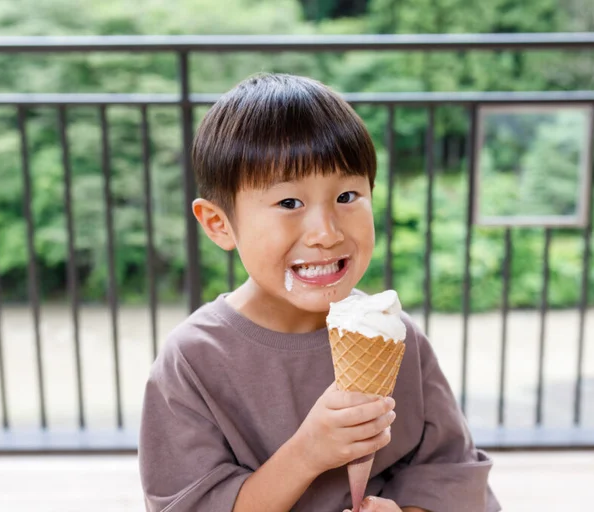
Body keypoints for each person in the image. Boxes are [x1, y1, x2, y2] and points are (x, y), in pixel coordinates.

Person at [138, 73, 501, 512]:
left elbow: (452, 476)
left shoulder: (397, 337)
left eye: (347, 195)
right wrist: (308, 451)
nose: (326, 233)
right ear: (219, 223)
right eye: (290, 203)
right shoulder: (193, 360)